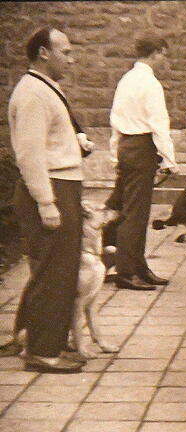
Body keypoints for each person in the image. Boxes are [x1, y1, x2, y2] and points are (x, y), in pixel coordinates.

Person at [3, 28, 88, 372]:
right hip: (51, 187)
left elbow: (49, 141)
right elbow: (29, 154)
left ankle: (46, 340)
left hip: (63, 183)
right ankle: (41, 350)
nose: (72, 58)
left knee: (59, 271)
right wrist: (46, 201)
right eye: (65, 52)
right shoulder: (34, 94)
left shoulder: (45, 88)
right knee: (52, 272)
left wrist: (75, 144)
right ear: (43, 53)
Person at [105, 34, 179, 291]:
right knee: (135, 213)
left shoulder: (126, 80)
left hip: (127, 146)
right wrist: (169, 158)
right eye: (163, 54)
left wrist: (116, 154)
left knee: (131, 209)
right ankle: (126, 271)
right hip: (141, 147)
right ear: (156, 52)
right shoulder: (149, 83)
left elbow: (115, 120)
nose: (164, 59)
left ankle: (138, 266)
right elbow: (159, 123)